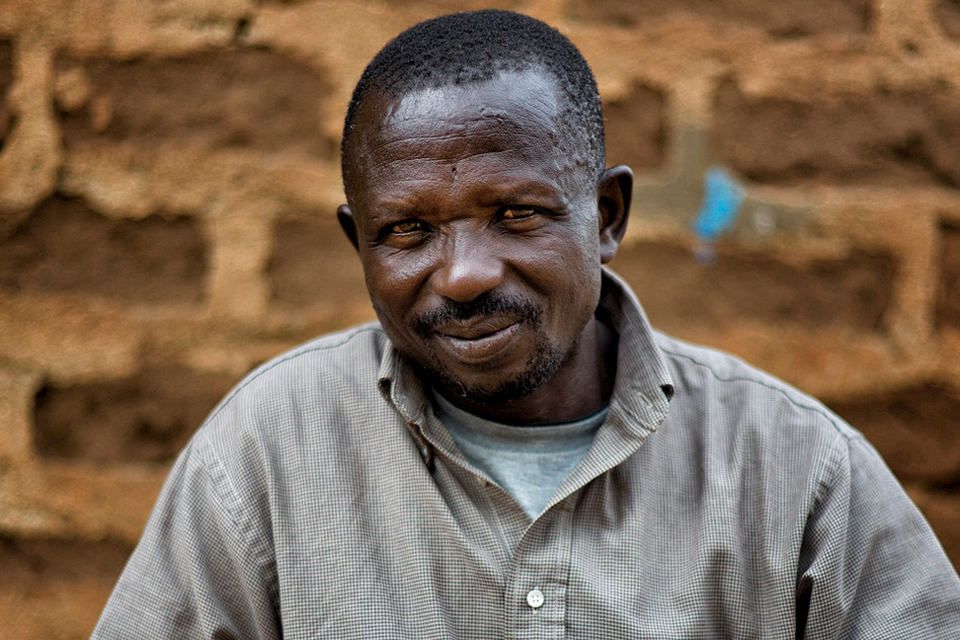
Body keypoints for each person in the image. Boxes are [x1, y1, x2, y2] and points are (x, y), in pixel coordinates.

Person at [93, 10, 960, 638]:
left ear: (607, 215)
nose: (465, 275)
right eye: (409, 231)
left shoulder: (797, 471)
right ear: (360, 246)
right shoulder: (265, 454)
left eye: (515, 214)